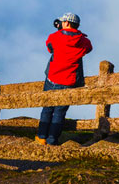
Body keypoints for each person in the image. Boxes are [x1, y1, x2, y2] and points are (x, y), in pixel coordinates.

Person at [35, 12, 92, 145]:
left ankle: (41, 137)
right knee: (59, 112)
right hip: (69, 81)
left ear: (66, 23)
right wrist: (78, 35)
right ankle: (52, 140)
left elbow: (49, 47)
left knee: (47, 108)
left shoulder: (54, 37)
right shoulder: (83, 41)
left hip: (52, 78)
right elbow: (89, 48)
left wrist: (60, 31)